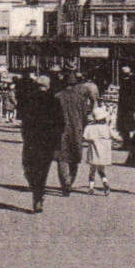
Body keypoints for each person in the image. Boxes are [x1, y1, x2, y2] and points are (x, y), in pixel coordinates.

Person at [19, 75, 64, 212]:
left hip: (32, 141)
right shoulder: (55, 101)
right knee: (43, 170)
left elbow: (23, 120)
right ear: (48, 86)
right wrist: (57, 142)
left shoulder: (29, 99)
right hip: (47, 142)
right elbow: (61, 124)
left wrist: (25, 135)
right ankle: (38, 197)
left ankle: (34, 188)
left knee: (29, 167)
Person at [54, 77, 92, 197]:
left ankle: (65, 184)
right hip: (76, 131)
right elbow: (85, 116)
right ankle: (70, 181)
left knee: (62, 158)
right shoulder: (80, 98)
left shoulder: (57, 97)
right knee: (74, 158)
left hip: (61, 131)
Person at [83, 103, 114, 195]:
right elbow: (114, 135)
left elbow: (85, 137)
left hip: (93, 150)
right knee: (101, 170)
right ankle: (105, 181)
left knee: (92, 170)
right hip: (104, 152)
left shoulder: (90, 127)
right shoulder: (106, 128)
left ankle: (91, 187)